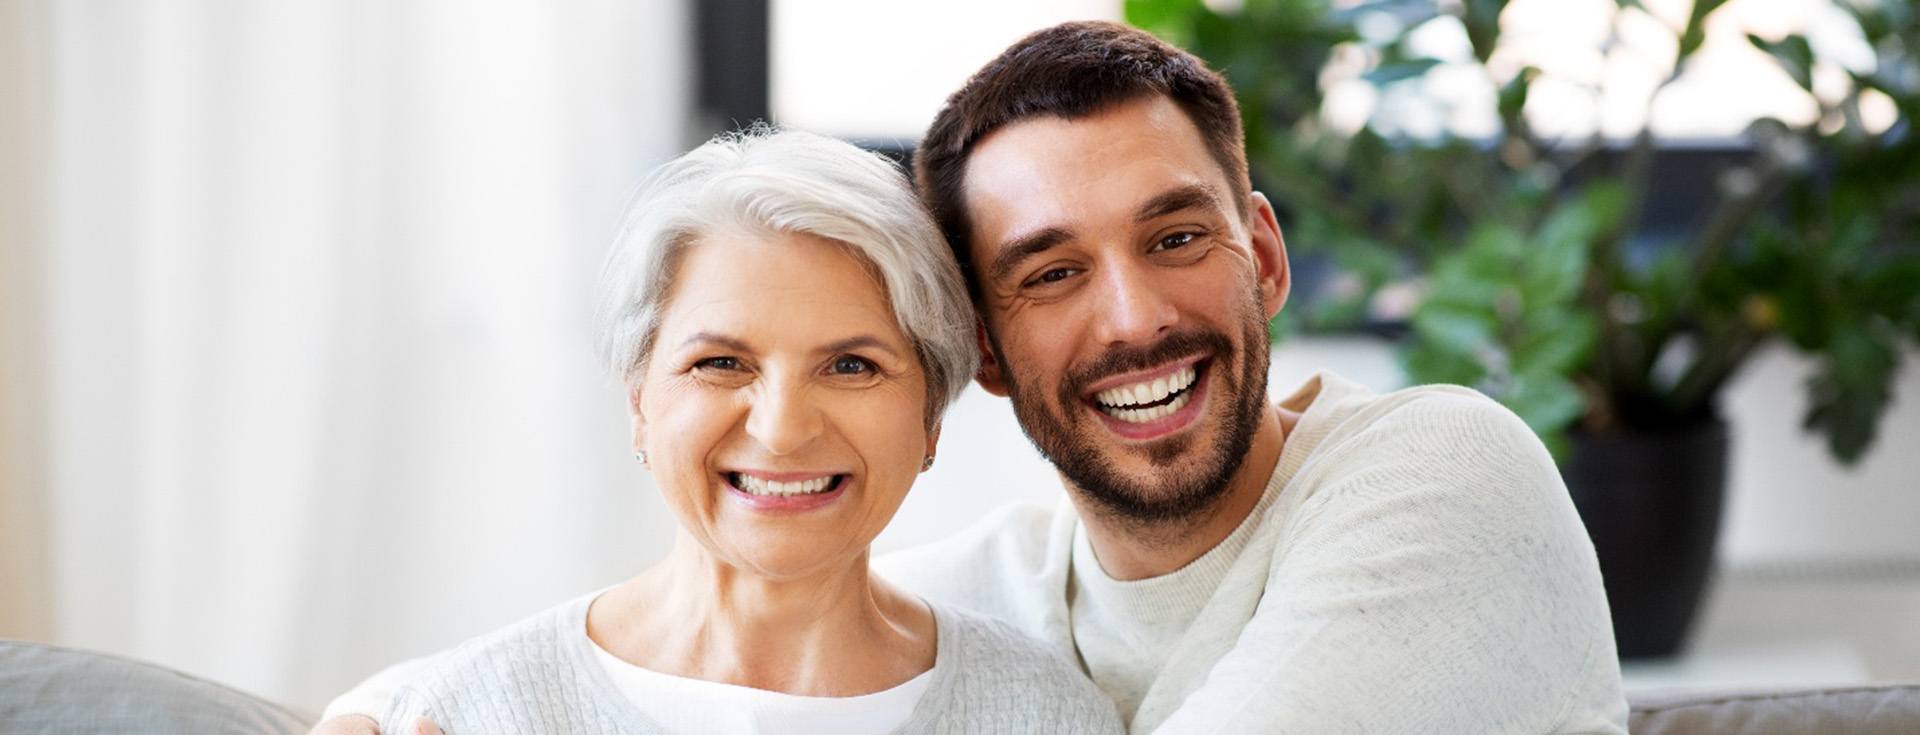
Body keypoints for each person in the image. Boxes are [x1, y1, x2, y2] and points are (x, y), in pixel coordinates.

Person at [319, 20, 1628, 734]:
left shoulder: (1442, 472)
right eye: (1050, 271)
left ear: (1265, 255)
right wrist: (386, 710)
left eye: (1175, 236)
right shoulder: (993, 598)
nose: (1135, 315)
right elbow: (746, 619)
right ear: (985, 354)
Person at [335, 128, 1122, 734]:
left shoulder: (1042, 715)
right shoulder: (475, 710)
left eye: (851, 365)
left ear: (931, 417)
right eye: (721, 362)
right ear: (641, 400)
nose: (781, 430)